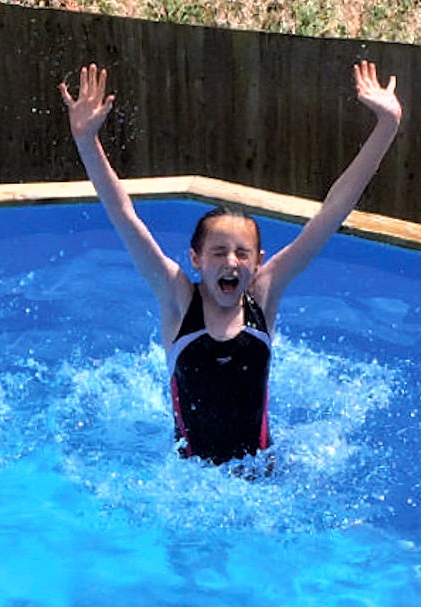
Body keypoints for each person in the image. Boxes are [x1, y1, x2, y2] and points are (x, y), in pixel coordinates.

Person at [60, 61, 402, 467]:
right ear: (195, 259)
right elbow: (124, 215)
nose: (231, 261)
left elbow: (330, 214)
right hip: (187, 483)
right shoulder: (177, 300)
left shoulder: (264, 294)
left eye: (242, 253)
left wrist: (387, 126)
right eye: (218, 252)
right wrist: (86, 141)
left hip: (264, 475)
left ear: (257, 262)